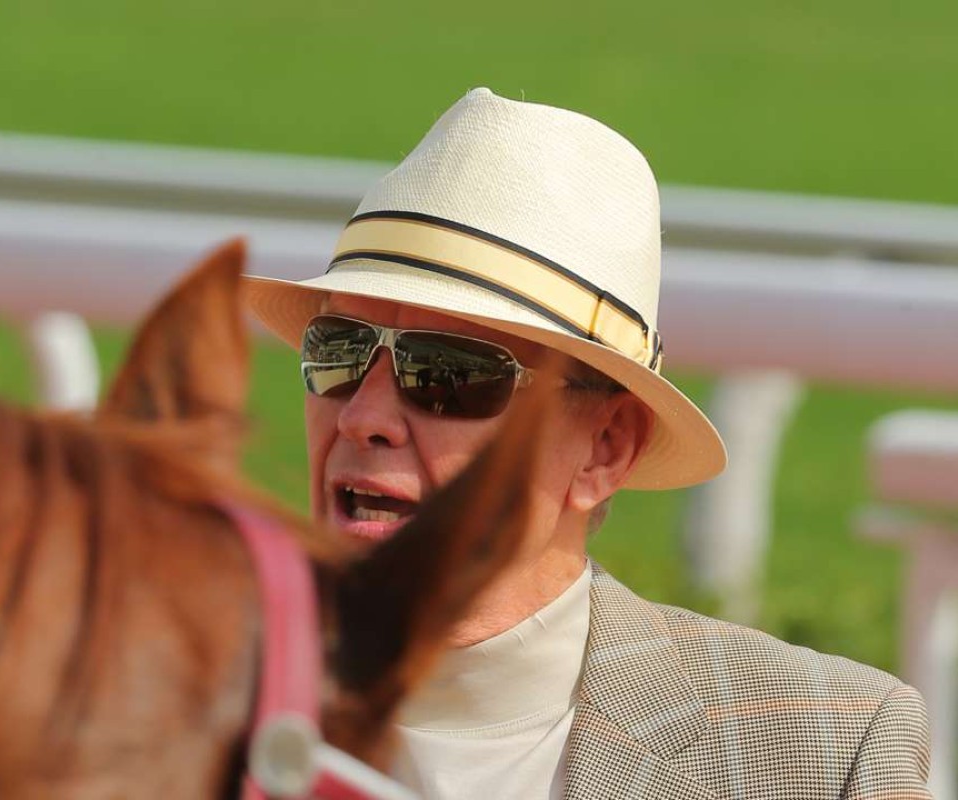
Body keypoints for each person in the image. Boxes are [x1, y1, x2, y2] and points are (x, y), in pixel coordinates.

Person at [245, 88, 931, 799]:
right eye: (341, 351)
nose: (363, 416)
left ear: (605, 447)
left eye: (446, 374)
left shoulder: (825, 753)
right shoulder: (156, 694)